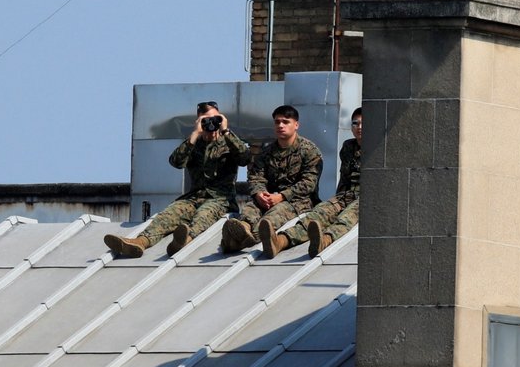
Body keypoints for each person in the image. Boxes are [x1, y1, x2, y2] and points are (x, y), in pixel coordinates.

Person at [104, 100, 251, 258]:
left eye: (215, 118)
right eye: (205, 119)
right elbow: (176, 162)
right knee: (168, 214)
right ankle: (140, 242)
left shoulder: (229, 142)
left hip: (221, 199)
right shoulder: (194, 144)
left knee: (204, 215)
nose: (211, 123)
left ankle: (184, 240)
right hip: (194, 197)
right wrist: (194, 134)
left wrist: (226, 131)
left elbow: (245, 158)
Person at [222, 104, 323, 258]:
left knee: (272, 217)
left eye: (285, 122)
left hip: (298, 201)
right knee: (250, 209)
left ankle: (245, 239)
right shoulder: (267, 151)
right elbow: (256, 175)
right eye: (277, 122)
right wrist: (259, 194)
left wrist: (281, 197)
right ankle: (242, 228)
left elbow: (308, 183)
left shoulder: (309, 150)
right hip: (270, 197)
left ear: (296, 125)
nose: (280, 125)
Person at [266, 107, 362, 259]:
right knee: (318, 213)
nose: (359, 127)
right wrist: (336, 202)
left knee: (346, 218)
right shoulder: (348, 147)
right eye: (355, 123)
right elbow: (344, 178)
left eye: (363, 123)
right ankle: (281, 241)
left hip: (365, 199)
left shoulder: (379, 149)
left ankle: (324, 241)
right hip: (346, 195)